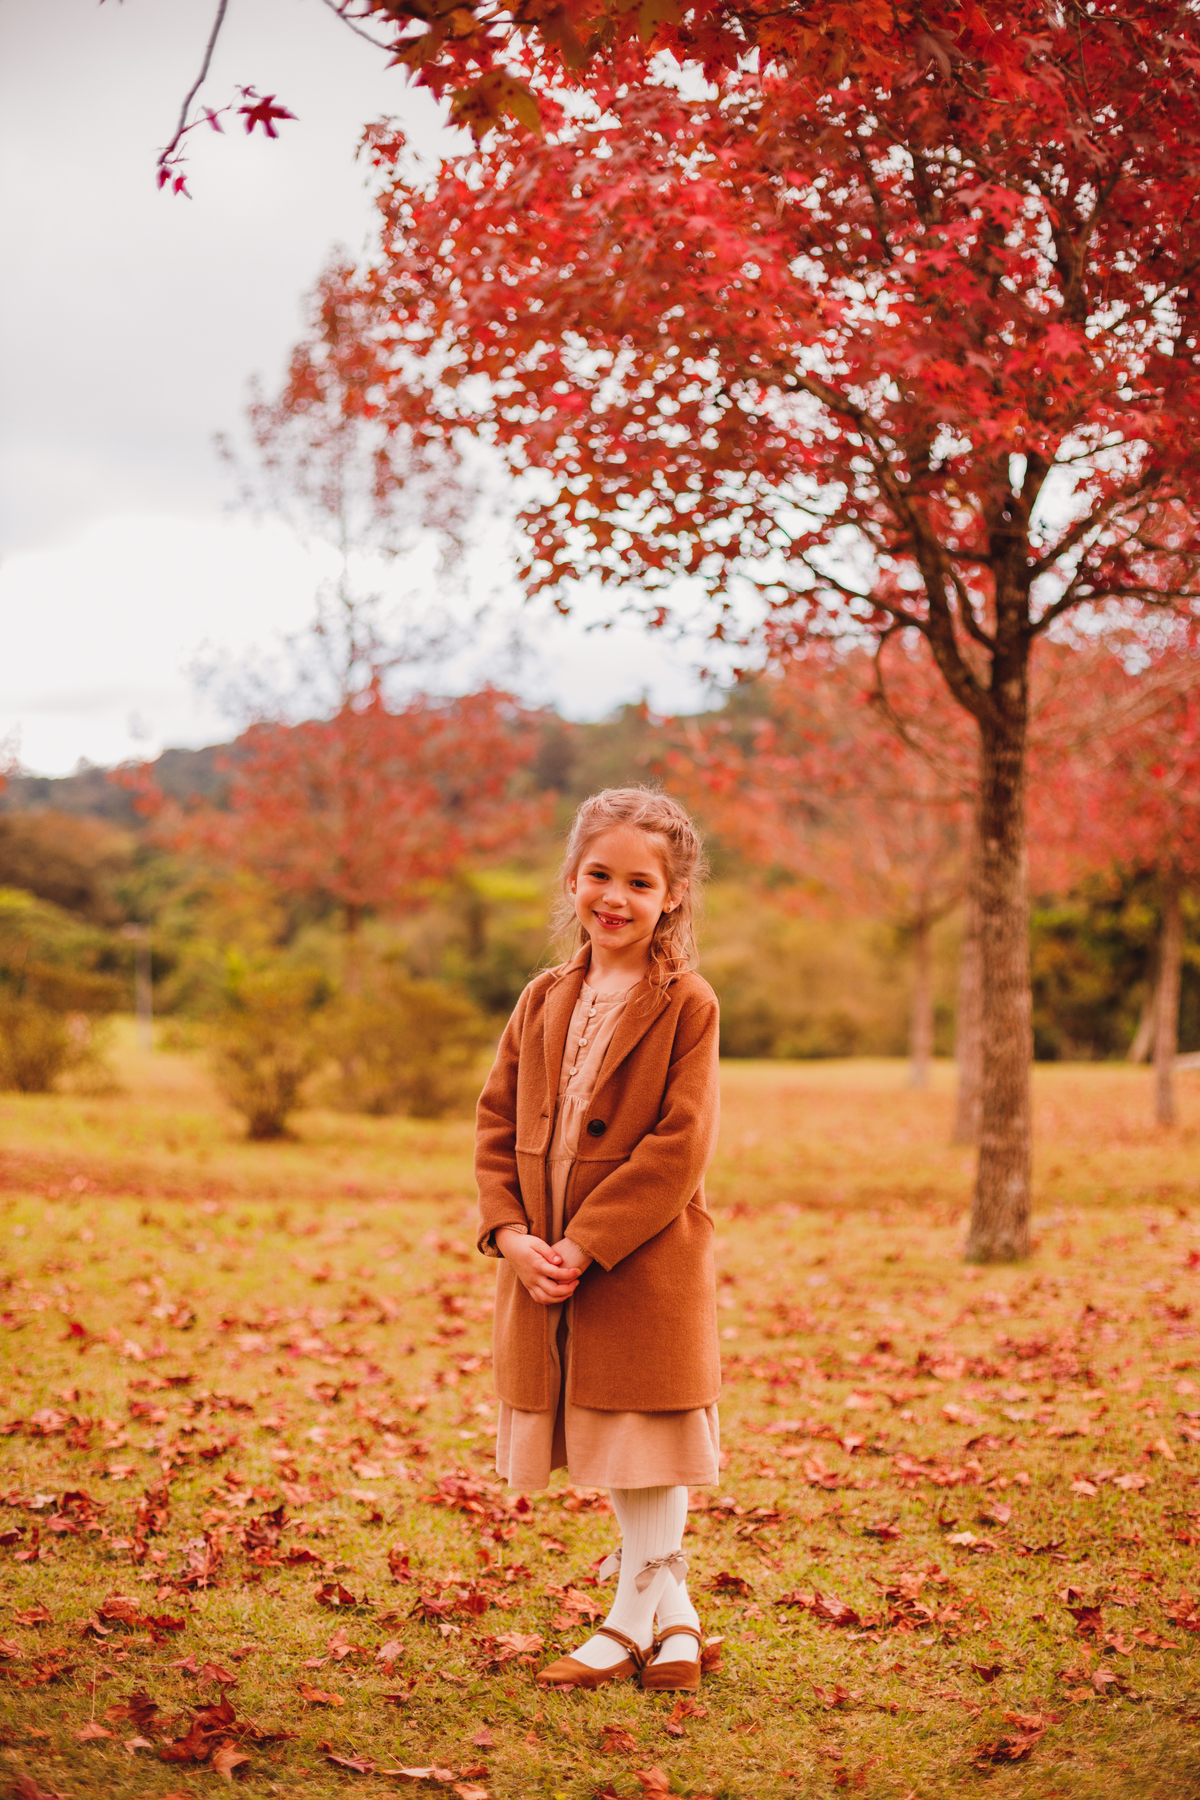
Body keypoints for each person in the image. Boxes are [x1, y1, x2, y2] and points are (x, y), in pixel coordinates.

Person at [475, 786, 721, 1693]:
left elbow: (680, 1144)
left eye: (640, 883)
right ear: (572, 879)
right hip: (542, 1258)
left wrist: (586, 1241)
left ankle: (625, 1624)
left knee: (644, 1432)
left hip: (640, 1261)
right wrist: (510, 1234)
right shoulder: (543, 997)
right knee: (621, 1441)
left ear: (672, 897)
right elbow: (495, 1122)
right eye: (599, 875)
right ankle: (678, 1623)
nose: (615, 897)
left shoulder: (687, 1002)